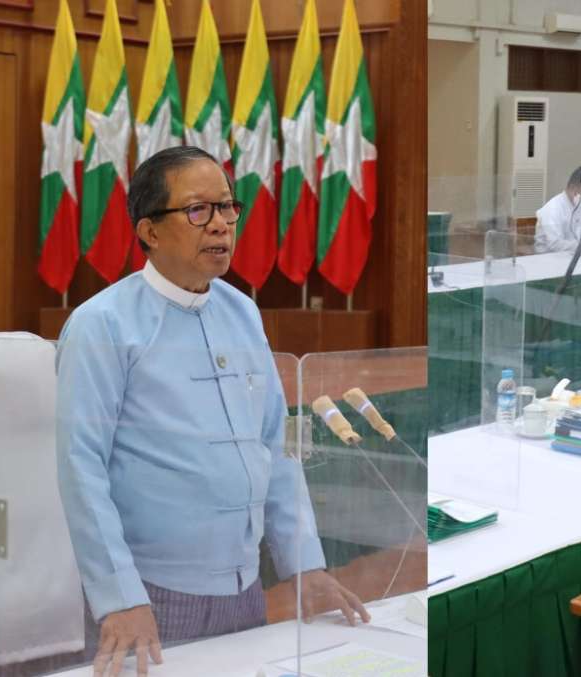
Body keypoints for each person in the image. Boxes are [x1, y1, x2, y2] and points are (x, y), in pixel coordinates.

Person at [57, 146, 369, 676]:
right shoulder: (102, 324)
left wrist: (304, 564)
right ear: (150, 231)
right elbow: (79, 468)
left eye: (227, 207)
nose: (221, 224)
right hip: (149, 595)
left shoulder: (242, 311)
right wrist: (119, 597)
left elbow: (277, 446)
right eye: (198, 210)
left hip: (244, 590)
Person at [535, 168, 581, 253]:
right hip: (549, 256)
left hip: (573, 253)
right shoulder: (553, 208)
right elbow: (555, 244)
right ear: (572, 187)